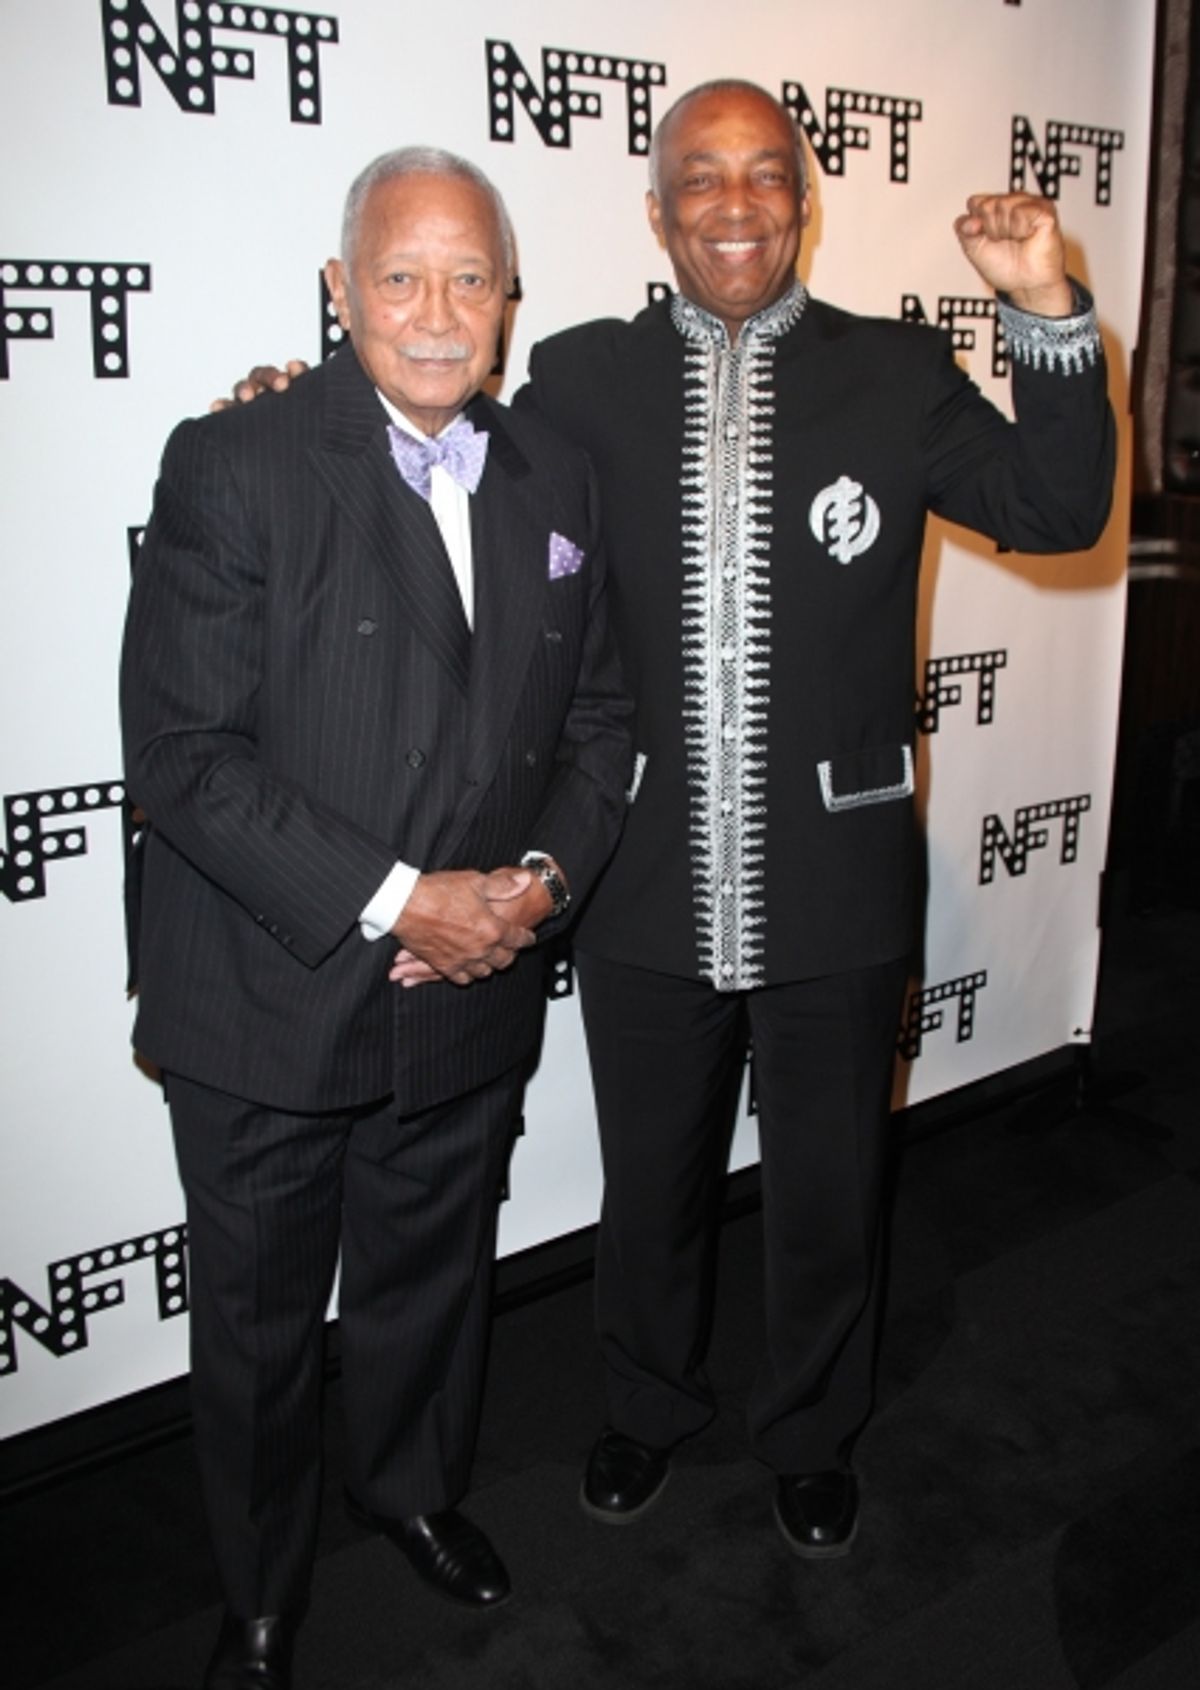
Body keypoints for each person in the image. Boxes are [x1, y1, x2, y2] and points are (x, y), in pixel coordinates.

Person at [227, 80, 1116, 1566]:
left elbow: (1059, 500)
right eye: (699, 177)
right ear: (656, 211)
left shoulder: (896, 377)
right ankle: (645, 1401)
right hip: (639, 869)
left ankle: (815, 1430)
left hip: (837, 870)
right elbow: (424, 451)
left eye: (767, 175)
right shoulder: (575, 383)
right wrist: (283, 410)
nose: (734, 203)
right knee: (651, 1181)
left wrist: (1050, 310)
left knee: (833, 1182)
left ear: (803, 201)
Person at [122, 146, 631, 1690]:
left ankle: (411, 1490)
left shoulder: (553, 474)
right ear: (339, 292)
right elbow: (185, 764)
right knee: (266, 1332)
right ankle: (260, 1592)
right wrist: (410, 899)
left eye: (468, 278)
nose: (434, 312)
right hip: (270, 995)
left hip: (471, 987)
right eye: (399, 276)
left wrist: (532, 893)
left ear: (508, 300)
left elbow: (604, 721)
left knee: (428, 1284)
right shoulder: (235, 461)